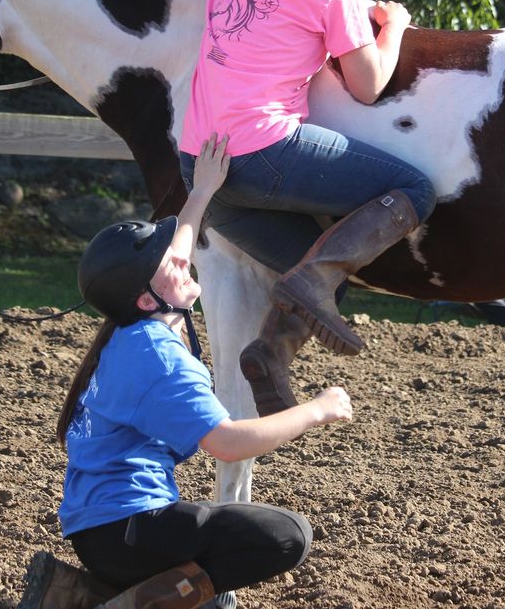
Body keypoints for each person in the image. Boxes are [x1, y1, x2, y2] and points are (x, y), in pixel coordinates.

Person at [18, 135, 353, 609]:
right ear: (145, 296)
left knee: (239, 533)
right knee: (286, 536)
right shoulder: (157, 353)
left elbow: (178, 244)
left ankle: (90, 594)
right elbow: (228, 442)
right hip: (127, 532)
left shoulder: (134, 324)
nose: (183, 257)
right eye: (169, 263)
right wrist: (316, 411)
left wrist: (203, 190)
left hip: (105, 531)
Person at [177, 0, 436, 417]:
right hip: (261, 153)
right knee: (416, 187)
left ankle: (269, 355)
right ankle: (291, 319)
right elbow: (368, 86)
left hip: (200, 167)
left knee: (324, 280)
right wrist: (394, 26)